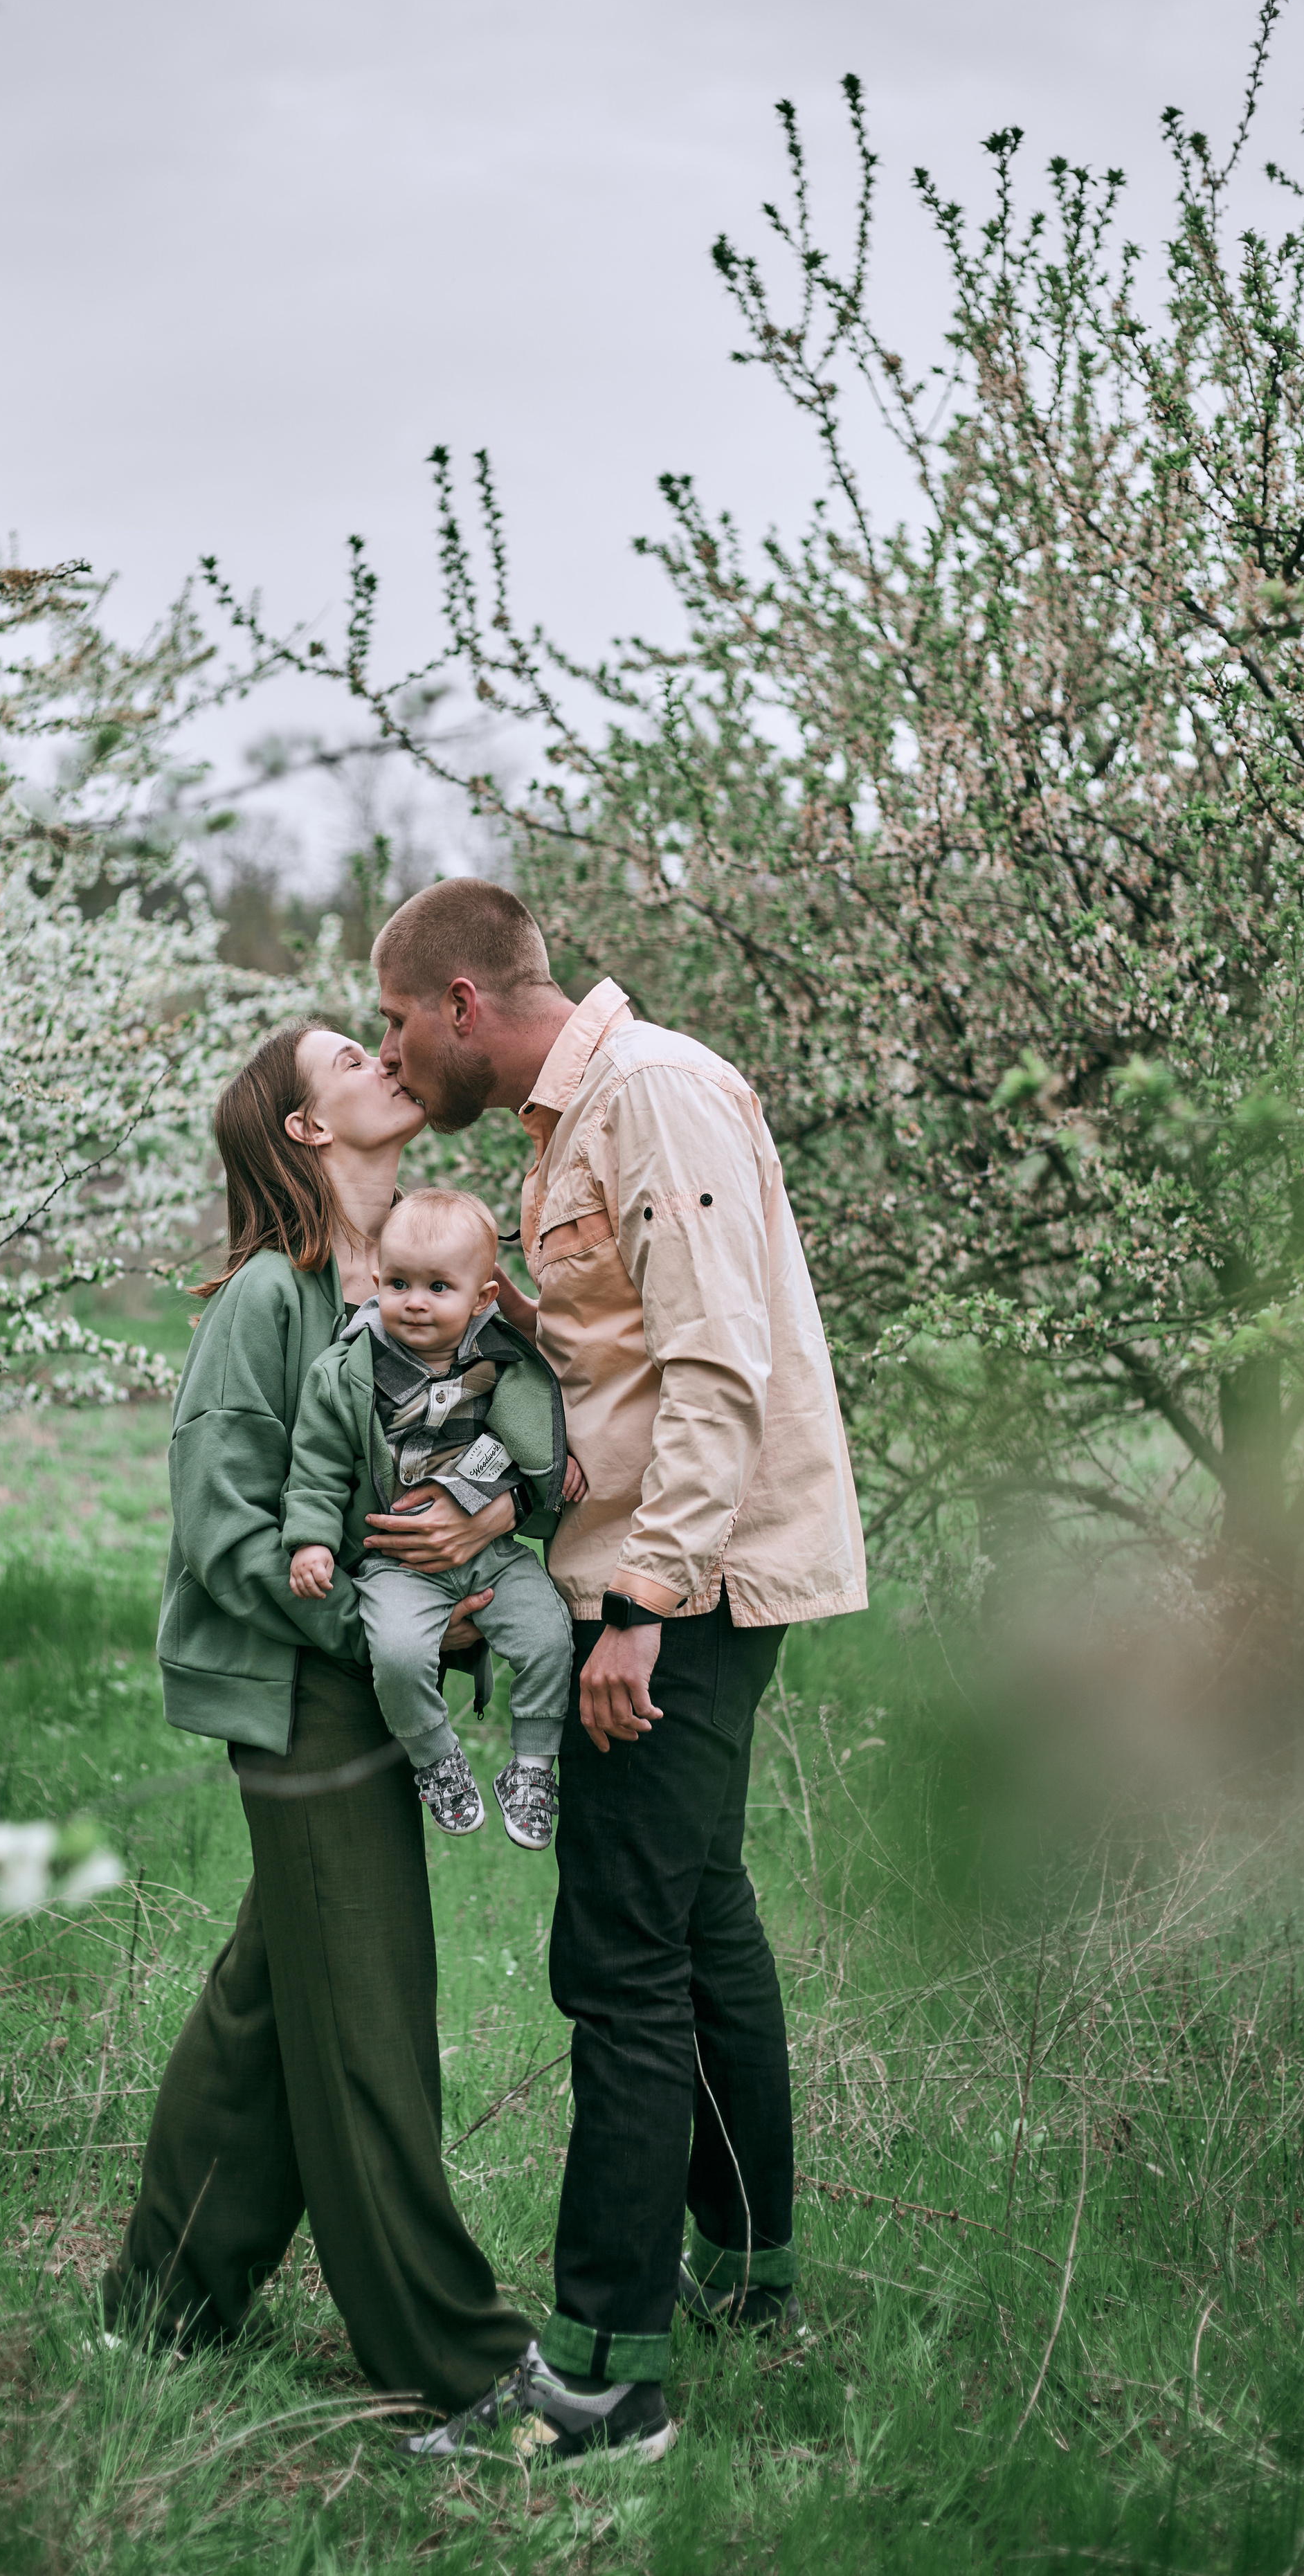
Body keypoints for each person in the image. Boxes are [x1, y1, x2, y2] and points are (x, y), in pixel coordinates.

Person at [372, 878, 867, 2466]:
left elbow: (721, 1357)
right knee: (699, 1919)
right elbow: (632, 1349)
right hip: (665, 1570)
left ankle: (598, 2379)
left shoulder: (647, 1089)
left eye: (392, 1020)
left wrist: (645, 1599)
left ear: (458, 1000)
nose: (392, 1051)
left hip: (684, 1587)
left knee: (618, 1959)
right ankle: (744, 2272)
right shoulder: (568, 1120)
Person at [100, 1022, 532, 2411]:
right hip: (301, 1696)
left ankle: (160, 2311)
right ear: (305, 1128)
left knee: (271, 2006)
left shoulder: (416, 1287)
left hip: (369, 1688)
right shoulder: (266, 1305)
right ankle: (452, 2366)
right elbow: (226, 1529)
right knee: (366, 2018)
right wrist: (369, 1631)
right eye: (349, 1053)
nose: (381, 1055)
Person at [284, 1183, 583, 1846]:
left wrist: (556, 1464)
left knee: (548, 1635)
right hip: (395, 1562)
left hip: (492, 1553)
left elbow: (534, 1433)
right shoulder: (350, 1371)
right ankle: (434, 1756)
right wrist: (310, 1541)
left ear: (481, 1298)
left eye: (438, 1288)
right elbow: (317, 1465)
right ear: (376, 1281)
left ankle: (533, 1763)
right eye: (398, 1283)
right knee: (394, 1653)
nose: (414, 1302)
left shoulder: (499, 1362)